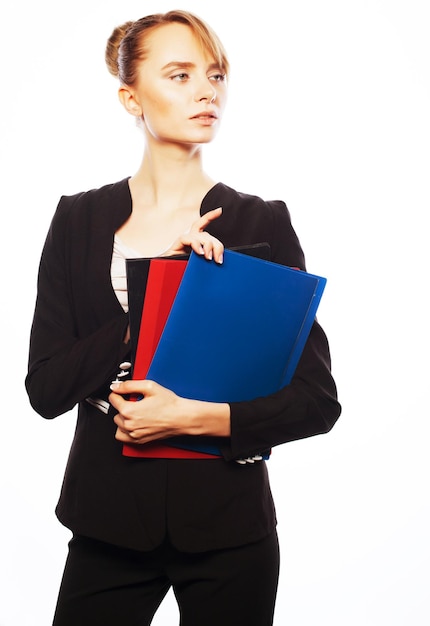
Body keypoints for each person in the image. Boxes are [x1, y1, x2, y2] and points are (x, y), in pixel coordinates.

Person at [25, 9, 341, 626]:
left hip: (230, 529)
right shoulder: (78, 219)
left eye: (216, 75)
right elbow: (45, 388)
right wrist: (156, 291)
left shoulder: (261, 223)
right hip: (106, 523)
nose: (207, 91)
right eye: (179, 74)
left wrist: (199, 418)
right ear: (130, 96)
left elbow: (315, 400)